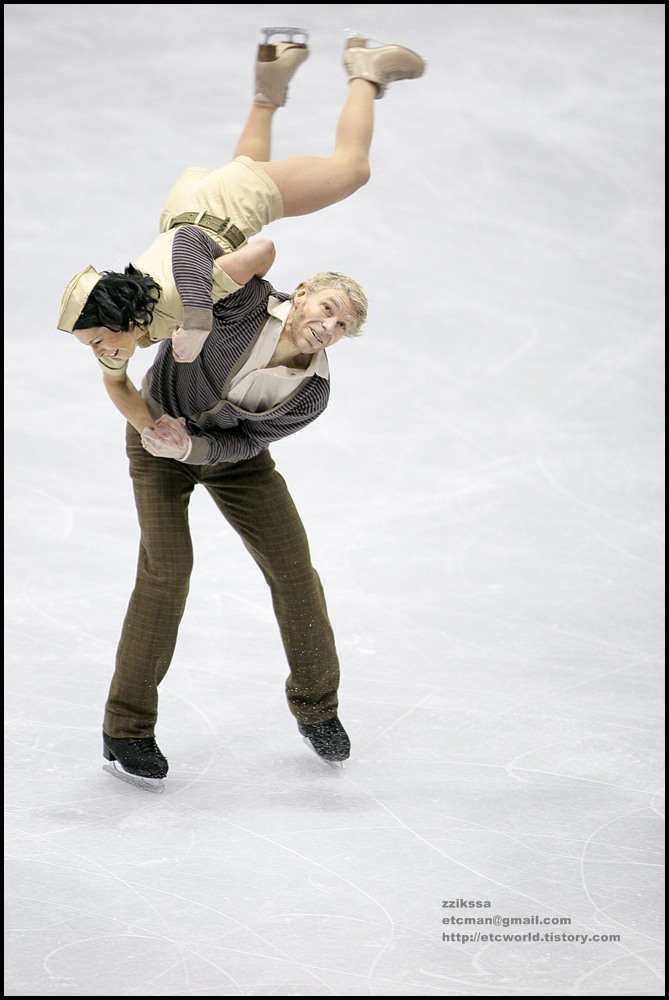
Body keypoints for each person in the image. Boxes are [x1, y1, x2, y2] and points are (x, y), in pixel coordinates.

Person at [57, 28, 426, 790]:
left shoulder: (312, 391)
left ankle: (316, 706)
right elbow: (199, 253)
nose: (326, 324)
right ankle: (125, 728)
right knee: (167, 573)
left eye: (341, 325)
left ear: (344, 341)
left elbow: (239, 443)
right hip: (153, 440)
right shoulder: (238, 305)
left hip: (228, 458)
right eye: (324, 306)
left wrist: (191, 448)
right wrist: (154, 430)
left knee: (294, 571)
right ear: (302, 294)